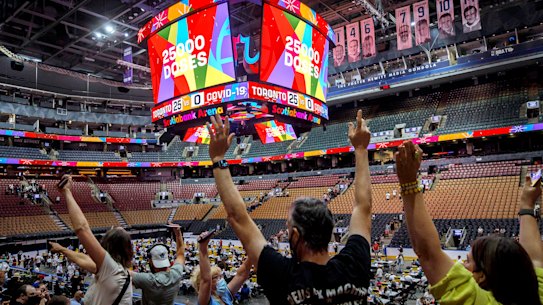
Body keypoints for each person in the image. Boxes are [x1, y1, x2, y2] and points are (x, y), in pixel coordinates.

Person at [206, 110, 372, 304]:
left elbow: (237, 216)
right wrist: (361, 149)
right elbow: (363, 207)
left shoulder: (282, 274)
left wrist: (218, 158)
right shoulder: (355, 264)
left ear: (295, 235)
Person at [394, 141, 542, 305]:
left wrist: (408, 183)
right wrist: (527, 205)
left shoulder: (478, 301)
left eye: (468, 261)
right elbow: (535, 260)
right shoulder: (536, 291)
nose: (461, 263)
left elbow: (428, 253)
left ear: (482, 276)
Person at [58, 176, 133, 305]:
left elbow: (82, 229)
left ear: (107, 246)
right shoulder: (118, 271)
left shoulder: (111, 269)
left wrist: (67, 192)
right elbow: (84, 259)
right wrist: (62, 249)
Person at [190, 231, 251, 305]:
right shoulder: (205, 301)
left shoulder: (225, 295)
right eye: (216, 277)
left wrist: (254, 251)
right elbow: (206, 279)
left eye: (221, 276)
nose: (221, 279)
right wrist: (203, 247)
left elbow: (242, 274)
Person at [131, 224, 185, 305]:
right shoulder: (176, 273)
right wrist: (178, 233)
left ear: (151, 262)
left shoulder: (148, 280)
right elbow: (181, 254)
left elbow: (122, 272)